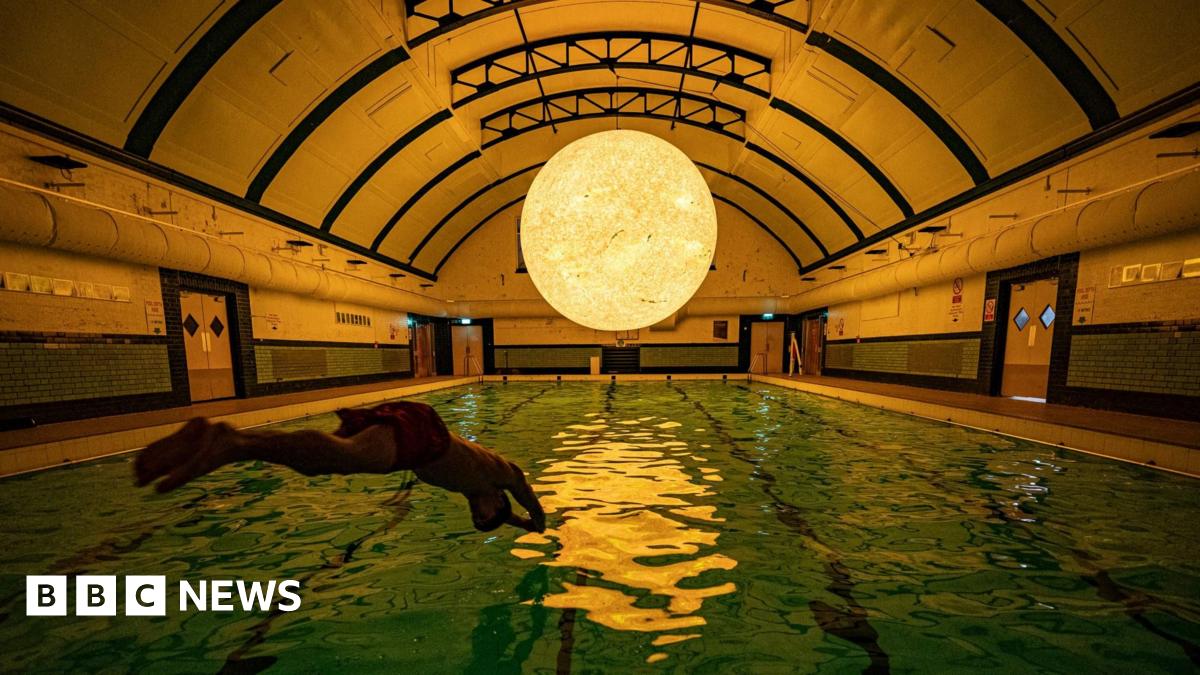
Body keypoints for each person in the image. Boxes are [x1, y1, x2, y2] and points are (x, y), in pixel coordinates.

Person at [134, 401, 546, 534]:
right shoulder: (496, 473)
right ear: (499, 499)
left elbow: (506, 516)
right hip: (426, 438)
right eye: (485, 514)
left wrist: (525, 527)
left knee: (326, 461)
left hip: (416, 448)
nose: (477, 514)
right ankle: (234, 443)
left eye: (477, 519)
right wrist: (540, 516)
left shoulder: (473, 488)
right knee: (346, 457)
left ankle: (237, 443)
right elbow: (520, 484)